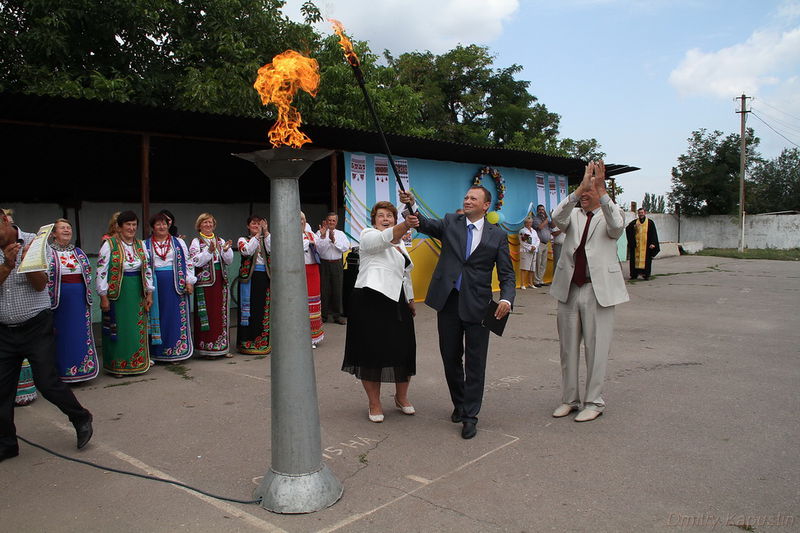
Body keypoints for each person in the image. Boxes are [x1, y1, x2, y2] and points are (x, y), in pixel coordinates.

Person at [399, 187, 515, 440]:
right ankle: (460, 403)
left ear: (486, 205)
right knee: (450, 357)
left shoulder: (498, 235)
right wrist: (411, 205)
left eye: (474, 198)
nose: (468, 200)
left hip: (479, 304)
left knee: (476, 363)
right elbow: (425, 224)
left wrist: (506, 298)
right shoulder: (452, 222)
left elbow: (507, 272)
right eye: (466, 197)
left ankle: (470, 416)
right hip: (449, 302)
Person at [1, 209, 93, 462]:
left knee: (47, 382)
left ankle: (80, 416)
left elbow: (41, 284)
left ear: (4, 219)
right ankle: (7, 443)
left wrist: (23, 260)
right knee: (2, 390)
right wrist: (8, 265)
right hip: (4, 330)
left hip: (35, 325)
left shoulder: (36, 240)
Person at [549, 161, 629, 422]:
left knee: (596, 349)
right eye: (582, 191)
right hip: (570, 288)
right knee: (568, 349)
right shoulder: (572, 213)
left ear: (601, 192)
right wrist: (577, 190)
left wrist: (602, 192)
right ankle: (569, 400)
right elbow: (556, 218)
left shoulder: (610, 211)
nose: (584, 195)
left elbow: (617, 228)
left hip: (598, 290)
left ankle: (594, 401)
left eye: (589, 192)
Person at [342, 202, 419, 422]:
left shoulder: (400, 245)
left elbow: (404, 274)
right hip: (369, 300)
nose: (386, 219)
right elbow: (383, 239)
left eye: (390, 216)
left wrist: (410, 299)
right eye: (381, 216)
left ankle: (401, 398)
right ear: (374, 220)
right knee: (371, 353)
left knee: (404, 349)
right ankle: (374, 403)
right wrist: (405, 224)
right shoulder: (368, 235)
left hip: (397, 301)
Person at [97, 210, 154, 376]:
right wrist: (103, 296)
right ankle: (118, 366)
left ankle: (137, 362)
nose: (131, 228)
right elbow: (101, 270)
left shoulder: (140, 245)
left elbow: (147, 269)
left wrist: (149, 292)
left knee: (136, 329)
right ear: (120, 227)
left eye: (134, 225)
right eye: (128, 225)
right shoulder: (110, 245)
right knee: (119, 329)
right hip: (118, 293)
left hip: (137, 291)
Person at [47, 218, 99, 382]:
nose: (67, 230)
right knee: (61, 334)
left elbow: (87, 275)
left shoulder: (78, 252)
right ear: (54, 233)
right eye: (62, 228)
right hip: (60, 300)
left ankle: (83, 369)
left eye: (68, 228)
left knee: (80, 332)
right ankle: (61, 372)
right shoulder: (48, 252)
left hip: (79, 299)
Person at [145, 212, 195, 363]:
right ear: (153, 227)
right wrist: (148, 288)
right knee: (156, 317)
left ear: (169, 225)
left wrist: (189, 281)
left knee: (174, 318)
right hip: (154, 285)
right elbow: (145, 267)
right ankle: (155, 353)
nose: (162, 226)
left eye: (164, 224)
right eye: (158, 224)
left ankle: (175, 352)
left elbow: (188, 262)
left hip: (175, 284)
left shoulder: (178, 243)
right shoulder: (145, 244)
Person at [189, 213, 234, 358]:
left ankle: (222, 347)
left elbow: (228, 261)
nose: (208, 225)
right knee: (207, 315)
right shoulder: (196, 242)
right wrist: (208, 252)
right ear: (199, 225)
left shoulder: (220, 240)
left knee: (220, 314)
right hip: (205, 284)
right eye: (205, 222)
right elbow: (195, 261)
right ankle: (206, 349)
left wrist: (226, 251)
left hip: (220, 281)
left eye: (210, 223)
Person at [236, 215, 271, 355]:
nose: (256, 226)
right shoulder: (243, 240)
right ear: (248, 226)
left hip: (264, 277)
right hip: (248, 279)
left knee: (262, 309)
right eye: (253, 224)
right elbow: (247, 251)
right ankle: (246, 342)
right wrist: (257, 237)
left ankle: (262, 342)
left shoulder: (266, 238)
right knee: (248, 309)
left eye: (259, 224)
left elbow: (273, 249)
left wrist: (266, 232)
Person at [316, 212, 351, 325]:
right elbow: (318, 250)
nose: (331, 222)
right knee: (323, 290)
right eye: (329, 220)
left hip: (336, 264)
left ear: (336, 222)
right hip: (324, 264)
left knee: (337, 289)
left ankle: (337, 316)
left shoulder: (340, 234)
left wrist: (334, 240)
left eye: (333, 220)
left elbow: (345, 247)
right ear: (326, 221)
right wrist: (324, 237)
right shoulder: (320, 232)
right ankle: (323, 315)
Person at [301, 212, 324, 348]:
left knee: (312, 303)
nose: (301, 222)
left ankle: (312, 336)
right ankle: (297, 337)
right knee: (299, 303)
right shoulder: (290, 234)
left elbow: (321, 248)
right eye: (298, 219)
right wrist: (308, 243)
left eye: (303, 219)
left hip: (313, 271)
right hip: (298, 271)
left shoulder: (311, 234)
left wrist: (321, 237)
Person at [626, 208, 660, 280]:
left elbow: (654, 233)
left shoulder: (650, 222)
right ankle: (634, 275)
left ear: (645, 213)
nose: (641, 214)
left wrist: (653, 243)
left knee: (646, 261)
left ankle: (646, 275)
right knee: (634, 261)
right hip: (637, 246)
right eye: (639, 213)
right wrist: (633, 228)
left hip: (646, 245)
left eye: (642, 213)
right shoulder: (634, 223)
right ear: (638, 214)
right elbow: (627, 229)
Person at [532, 204, 555, 287]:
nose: (542, 211)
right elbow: (540, 227)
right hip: (539, 244)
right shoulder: (535, 219)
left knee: (543, 263)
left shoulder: (545, 219)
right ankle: (536, 281)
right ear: (537, 211)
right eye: (540, 210)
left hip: (546, 244)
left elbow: (553, 226)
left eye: (543, 209)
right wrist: (546, 220)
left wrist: (552, 217)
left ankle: (541, 280)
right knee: (538, 263)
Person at [518, 217, 540, 290]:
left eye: (530, 222)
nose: (529, 224)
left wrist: (535, 247)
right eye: (527, 222)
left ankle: (531, 283)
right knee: (524, 268)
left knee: (532, 268)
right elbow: (523, 242)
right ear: (525, 223)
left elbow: (538, 240)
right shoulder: (522, 231)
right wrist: (531, 247)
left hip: (534, 251)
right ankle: (522, 284)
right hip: (526, 251)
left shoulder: (534, 231)